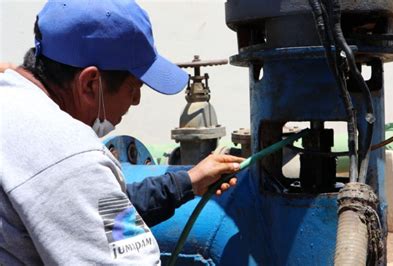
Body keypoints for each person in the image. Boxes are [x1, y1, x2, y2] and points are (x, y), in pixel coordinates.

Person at [0, 0, 243, 264]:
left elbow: (94, 215)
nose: (137, 100)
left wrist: (187, 182)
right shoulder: (67, 155)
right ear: (90, 83)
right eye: (134, 86)